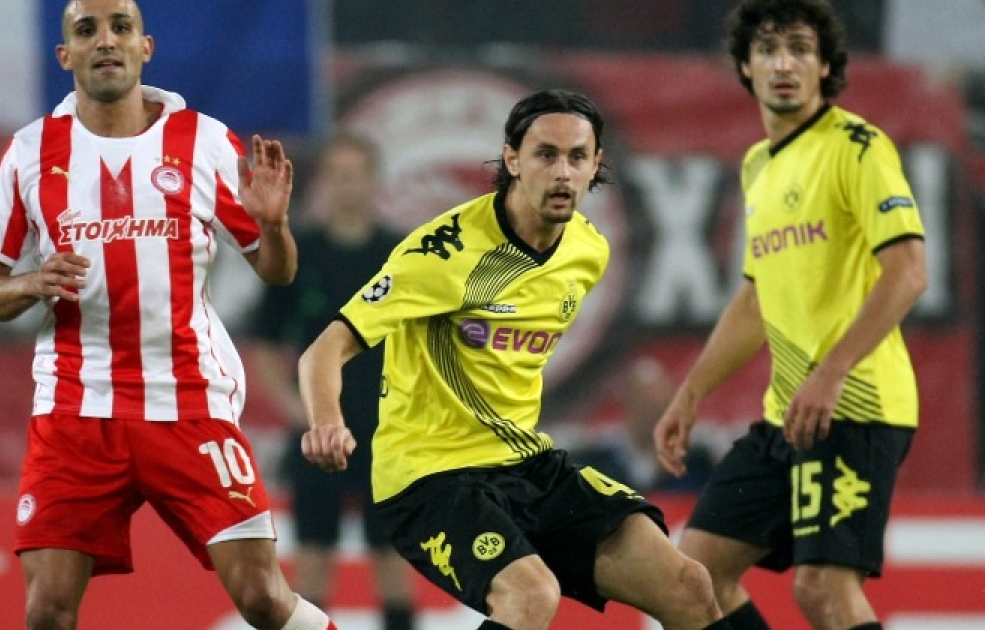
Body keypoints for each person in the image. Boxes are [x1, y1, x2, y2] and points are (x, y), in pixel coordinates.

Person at [297, 88, 735, 630]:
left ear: (596, 165)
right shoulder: (444, 253)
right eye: (545, 155)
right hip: (429, 476)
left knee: (690, 587)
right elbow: (325, 349)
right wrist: (326, 422)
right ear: (512, 160)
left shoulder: (588, 251)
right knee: (530, 597)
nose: (562, 172)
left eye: (577, 157)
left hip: (525, 463)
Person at [0, 2, 339, 629]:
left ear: (145, 47)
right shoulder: (30, 152)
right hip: (76, 408)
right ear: (66, 55)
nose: (106, 41)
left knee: (263, 598)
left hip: (189, 398)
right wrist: (32, 282)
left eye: (121, 28)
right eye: (87, 31)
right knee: (47, 611)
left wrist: (274, 227)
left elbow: (277, 271)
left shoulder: (203, 141)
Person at [652, 2, 929, 630]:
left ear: (825, 66)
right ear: (746, 67)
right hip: (787, 416)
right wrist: (690, 393)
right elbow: (756, 299)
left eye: (801, 49)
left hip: (855, 406)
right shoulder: (760, 164)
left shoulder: (857, 148)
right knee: (695, 574)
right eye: (769, 49)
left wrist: (832, 371)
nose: (784, 63)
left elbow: (909, 271)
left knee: (823, 590)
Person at [248, 133, 417, 630]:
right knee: (313, 557)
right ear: (324, 183)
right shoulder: (299, 254)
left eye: (358, 176)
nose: (350, 187)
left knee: (393, 555)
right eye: (339, 177)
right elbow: (265, 341)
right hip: (319, 432)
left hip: (387, 432)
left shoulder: (402, 256)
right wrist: (296, 409)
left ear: (376, 182)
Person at [572, 356, 718, 494]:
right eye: (646, 406)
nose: (656, 416)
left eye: (663, 407)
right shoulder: (602, 459)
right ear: (628, 404)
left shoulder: (697, 460)